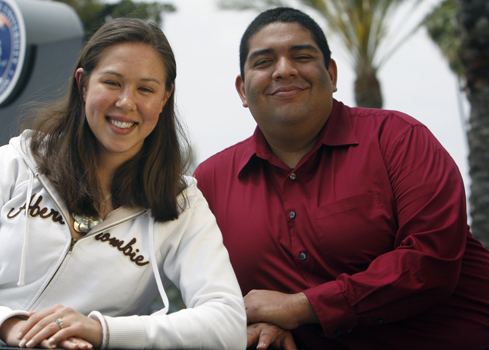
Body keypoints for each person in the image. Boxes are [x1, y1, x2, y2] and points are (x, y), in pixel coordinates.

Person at [0, 18, 246, 350]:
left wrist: (102, 331)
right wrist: (11, 327)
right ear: (84, 83)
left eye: (146, 89)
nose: (126, 102)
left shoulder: (180, 204)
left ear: (165, 97)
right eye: (113, 82)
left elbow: (226, 324)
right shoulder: (15, 164)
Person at [193, 7, 489, 350]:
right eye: (263, 62)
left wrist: (298, 308)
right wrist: (253, 324)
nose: (284, 70)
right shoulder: (210, 183)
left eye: (301, 56)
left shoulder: (399, 139)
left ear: (331, 75)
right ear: (243, 90)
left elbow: (431, 262)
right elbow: (211, 295)